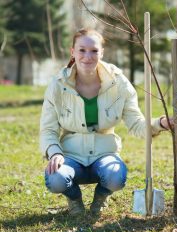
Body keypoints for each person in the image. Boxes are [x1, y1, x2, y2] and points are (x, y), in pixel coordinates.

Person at [40, 28, 169, 216]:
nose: (87, 56)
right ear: (72, 52)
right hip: (70, 156)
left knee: (116, 177)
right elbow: (48, 129)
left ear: (102, 53)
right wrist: (54, 153)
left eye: (94, 51)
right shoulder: (58, 85)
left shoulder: (118, 83)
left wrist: (160, 123)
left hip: (104, 154)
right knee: (55, 178)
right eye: (82, 50)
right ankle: (74, 199)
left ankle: (101, 196)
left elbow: (137, 124)